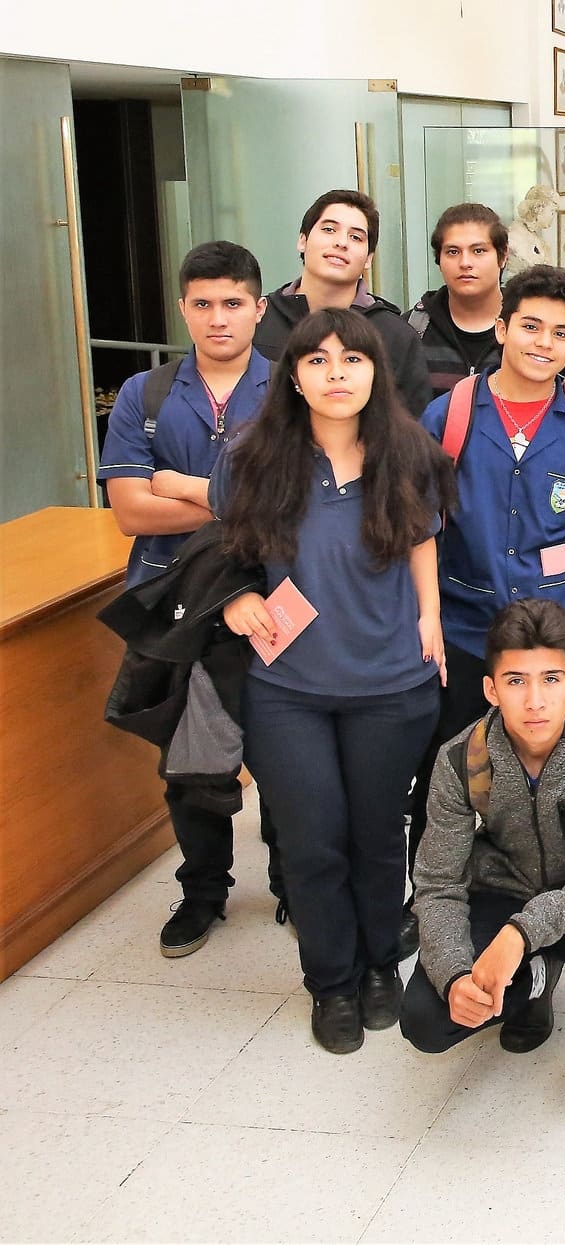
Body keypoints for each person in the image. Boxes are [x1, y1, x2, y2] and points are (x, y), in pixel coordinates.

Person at [213, 309, 456, 1054]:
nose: (337, 374)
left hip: (390, 682)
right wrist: (236, 597)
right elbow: (223, 550)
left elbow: (423, 543)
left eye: (353, 359)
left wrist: (430, 621)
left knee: (379, 836)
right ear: (292, 375)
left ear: (376, 371)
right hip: (288, 689)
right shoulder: (253, 456)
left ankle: (383, 963)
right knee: (313, 841)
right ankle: (332, 980)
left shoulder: (409, 451)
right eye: (317, 361)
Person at [410, 264, 565, 867]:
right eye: (531, 327)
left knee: (564, 770)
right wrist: (428, 618)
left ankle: (559, 890)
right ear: (502, 329)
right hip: (466, 628)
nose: (544, 344)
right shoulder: (449, 417)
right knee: (453, 764)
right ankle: (435, 891)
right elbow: (422, 530)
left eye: (562, 334)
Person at [401, 599, 565, 1139]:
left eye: (550, 679)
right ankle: (532, 981)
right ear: (491, 689)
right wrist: (454, 976)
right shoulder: (458, 759)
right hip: (504, 890)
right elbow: (438, 884)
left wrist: (521, 934)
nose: (535, 701)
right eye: (515, 681)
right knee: (425, 1021)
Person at [97, 241, 274, 956]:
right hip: (173, 602)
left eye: (233, 303)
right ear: (182, 309)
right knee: (186, 758)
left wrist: (179, 485)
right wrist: (234, 505)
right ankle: (204, 888)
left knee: (281, 748)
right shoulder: (148, 394)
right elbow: (132, 513)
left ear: (260, 308)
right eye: (202, 304)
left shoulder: (292, 387)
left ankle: (294, 881)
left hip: (267, 599)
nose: (218, 318)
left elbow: (294, 510)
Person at [253, 189, 431, 415]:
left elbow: (410, 428)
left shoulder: (395, 335)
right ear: (302, 240)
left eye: (356, 237)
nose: (341, 242)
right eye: (329, 229)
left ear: (368, 259)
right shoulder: (259, 319)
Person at [407, 203, 508, 398]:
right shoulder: (411, 330)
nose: (465, 263)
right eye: (453, 252)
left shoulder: (528, 329)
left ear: (503, 256)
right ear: (439, 260)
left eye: (478, 251)